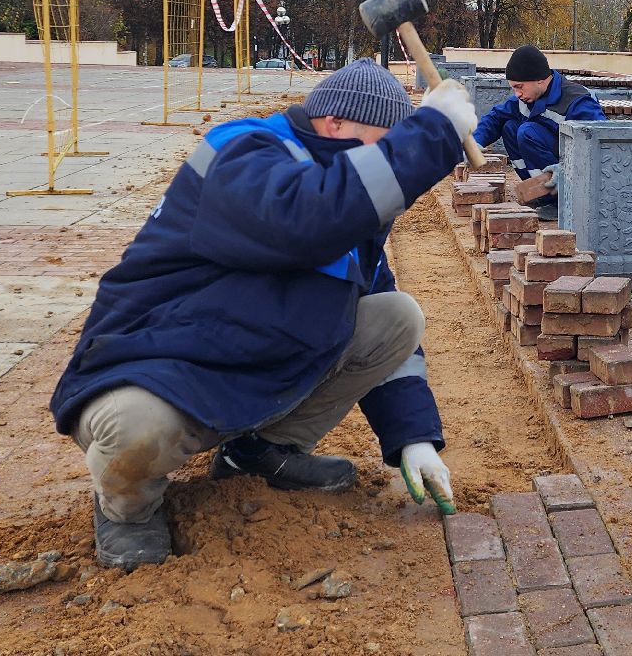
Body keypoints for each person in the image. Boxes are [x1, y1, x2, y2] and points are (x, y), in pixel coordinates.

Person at [48, 59, 480, 570]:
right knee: (139, 428)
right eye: (380, 147)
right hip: (157, 364)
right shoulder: (243, 152)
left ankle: (257, 453)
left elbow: (377, 313)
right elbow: (304, 220)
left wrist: (413, 438)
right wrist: (429, 134)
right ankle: (127, 511)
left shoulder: (344, 203)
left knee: (395, 316)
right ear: (335, 125)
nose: (383, 166)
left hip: (247, 370)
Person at [471, 44, 605, 220]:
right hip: (557, 168)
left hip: (578, 176)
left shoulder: (577, 101)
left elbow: (599, 143)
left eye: (520, 87)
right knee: (509, 127)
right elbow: (496, 116)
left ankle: (561, 202)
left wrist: (568, 168)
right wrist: (475, 142)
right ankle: (541, 194)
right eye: (514, 88)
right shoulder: (527, 98)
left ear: (540, 80)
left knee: (527, 131)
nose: (517, 94)